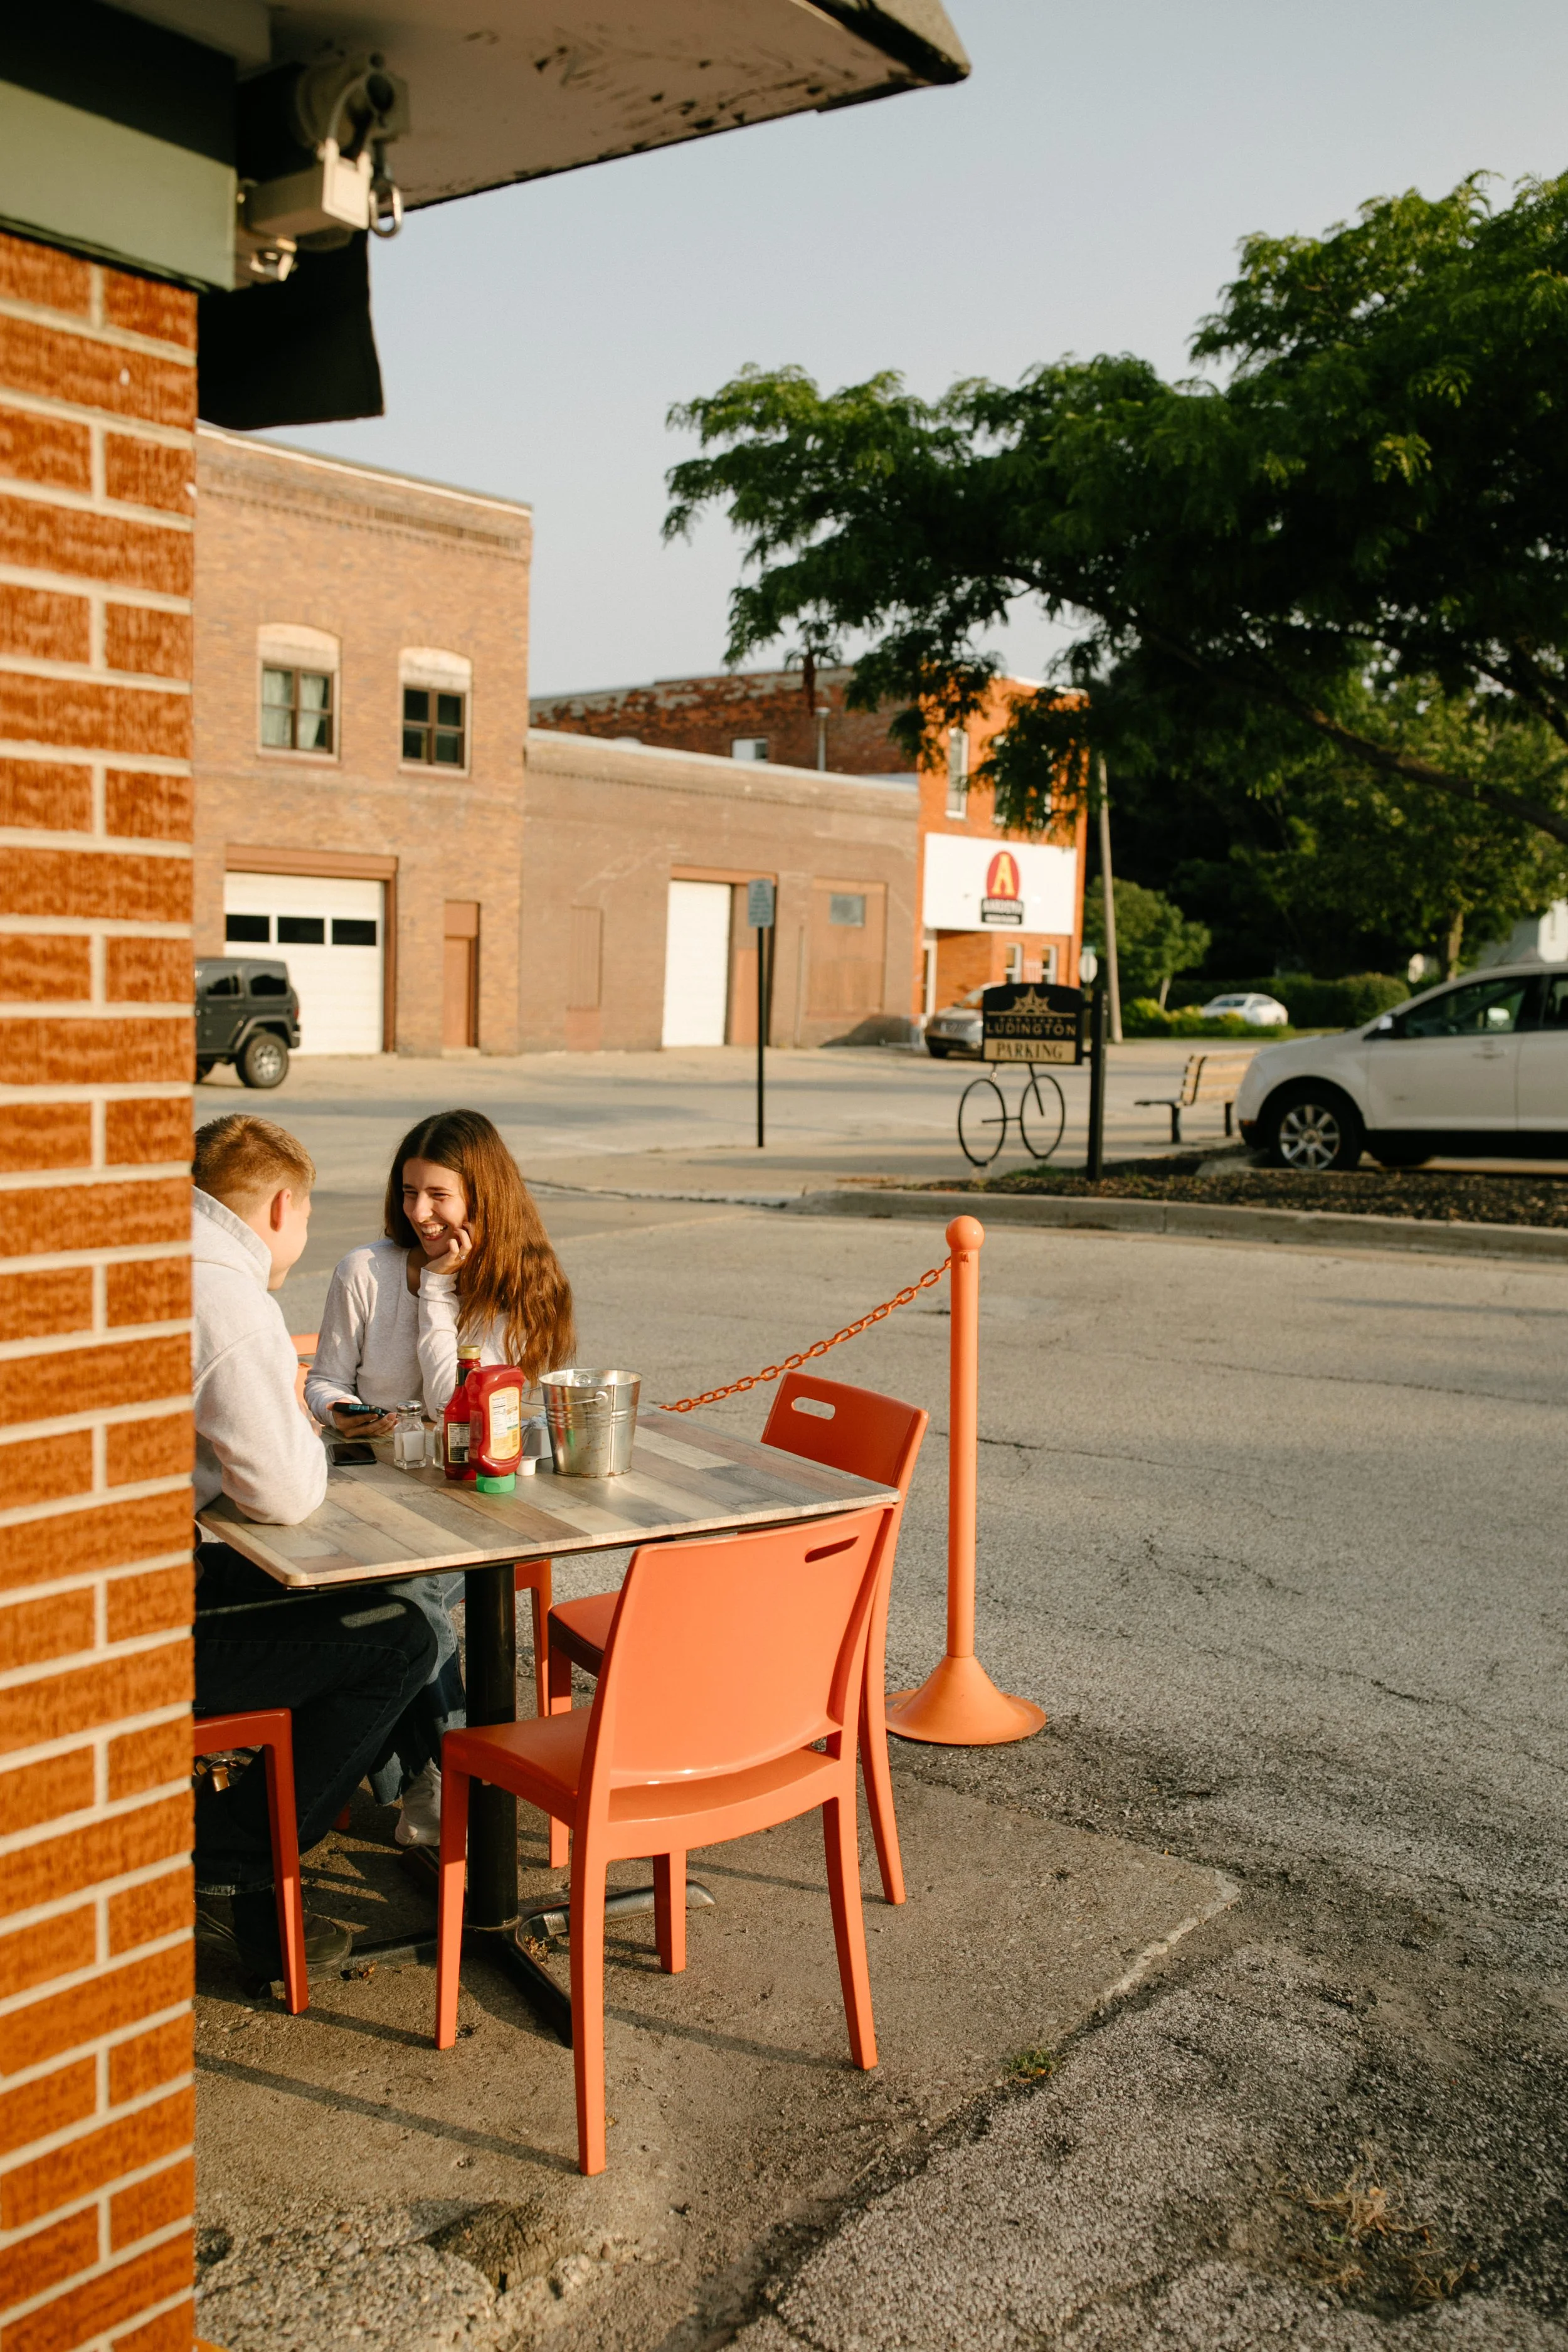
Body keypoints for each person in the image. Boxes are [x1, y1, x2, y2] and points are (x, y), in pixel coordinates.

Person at [193, 1112, 437, 1984]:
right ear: (283, 1204)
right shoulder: (228, 1299)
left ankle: (294, 1818)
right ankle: (223, 1867)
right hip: (134, 1631)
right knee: (401, 1637)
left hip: (80, 1595)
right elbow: (289, 1490)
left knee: (384, 1606)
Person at [304, 1108, 575, 1843]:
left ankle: (434, 1777)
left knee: (406, 1592)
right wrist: (341, 1412)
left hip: (483, 1498)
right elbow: (322, 1378)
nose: (418, 1213)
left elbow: (451, 1404)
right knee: (399, 1593)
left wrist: (436, 1294)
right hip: (370, 1484)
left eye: (438, 1196)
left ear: (481, 1200)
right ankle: (444, 1776)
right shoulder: (363, 1270)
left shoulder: (520, 1284)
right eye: (408, 1193)